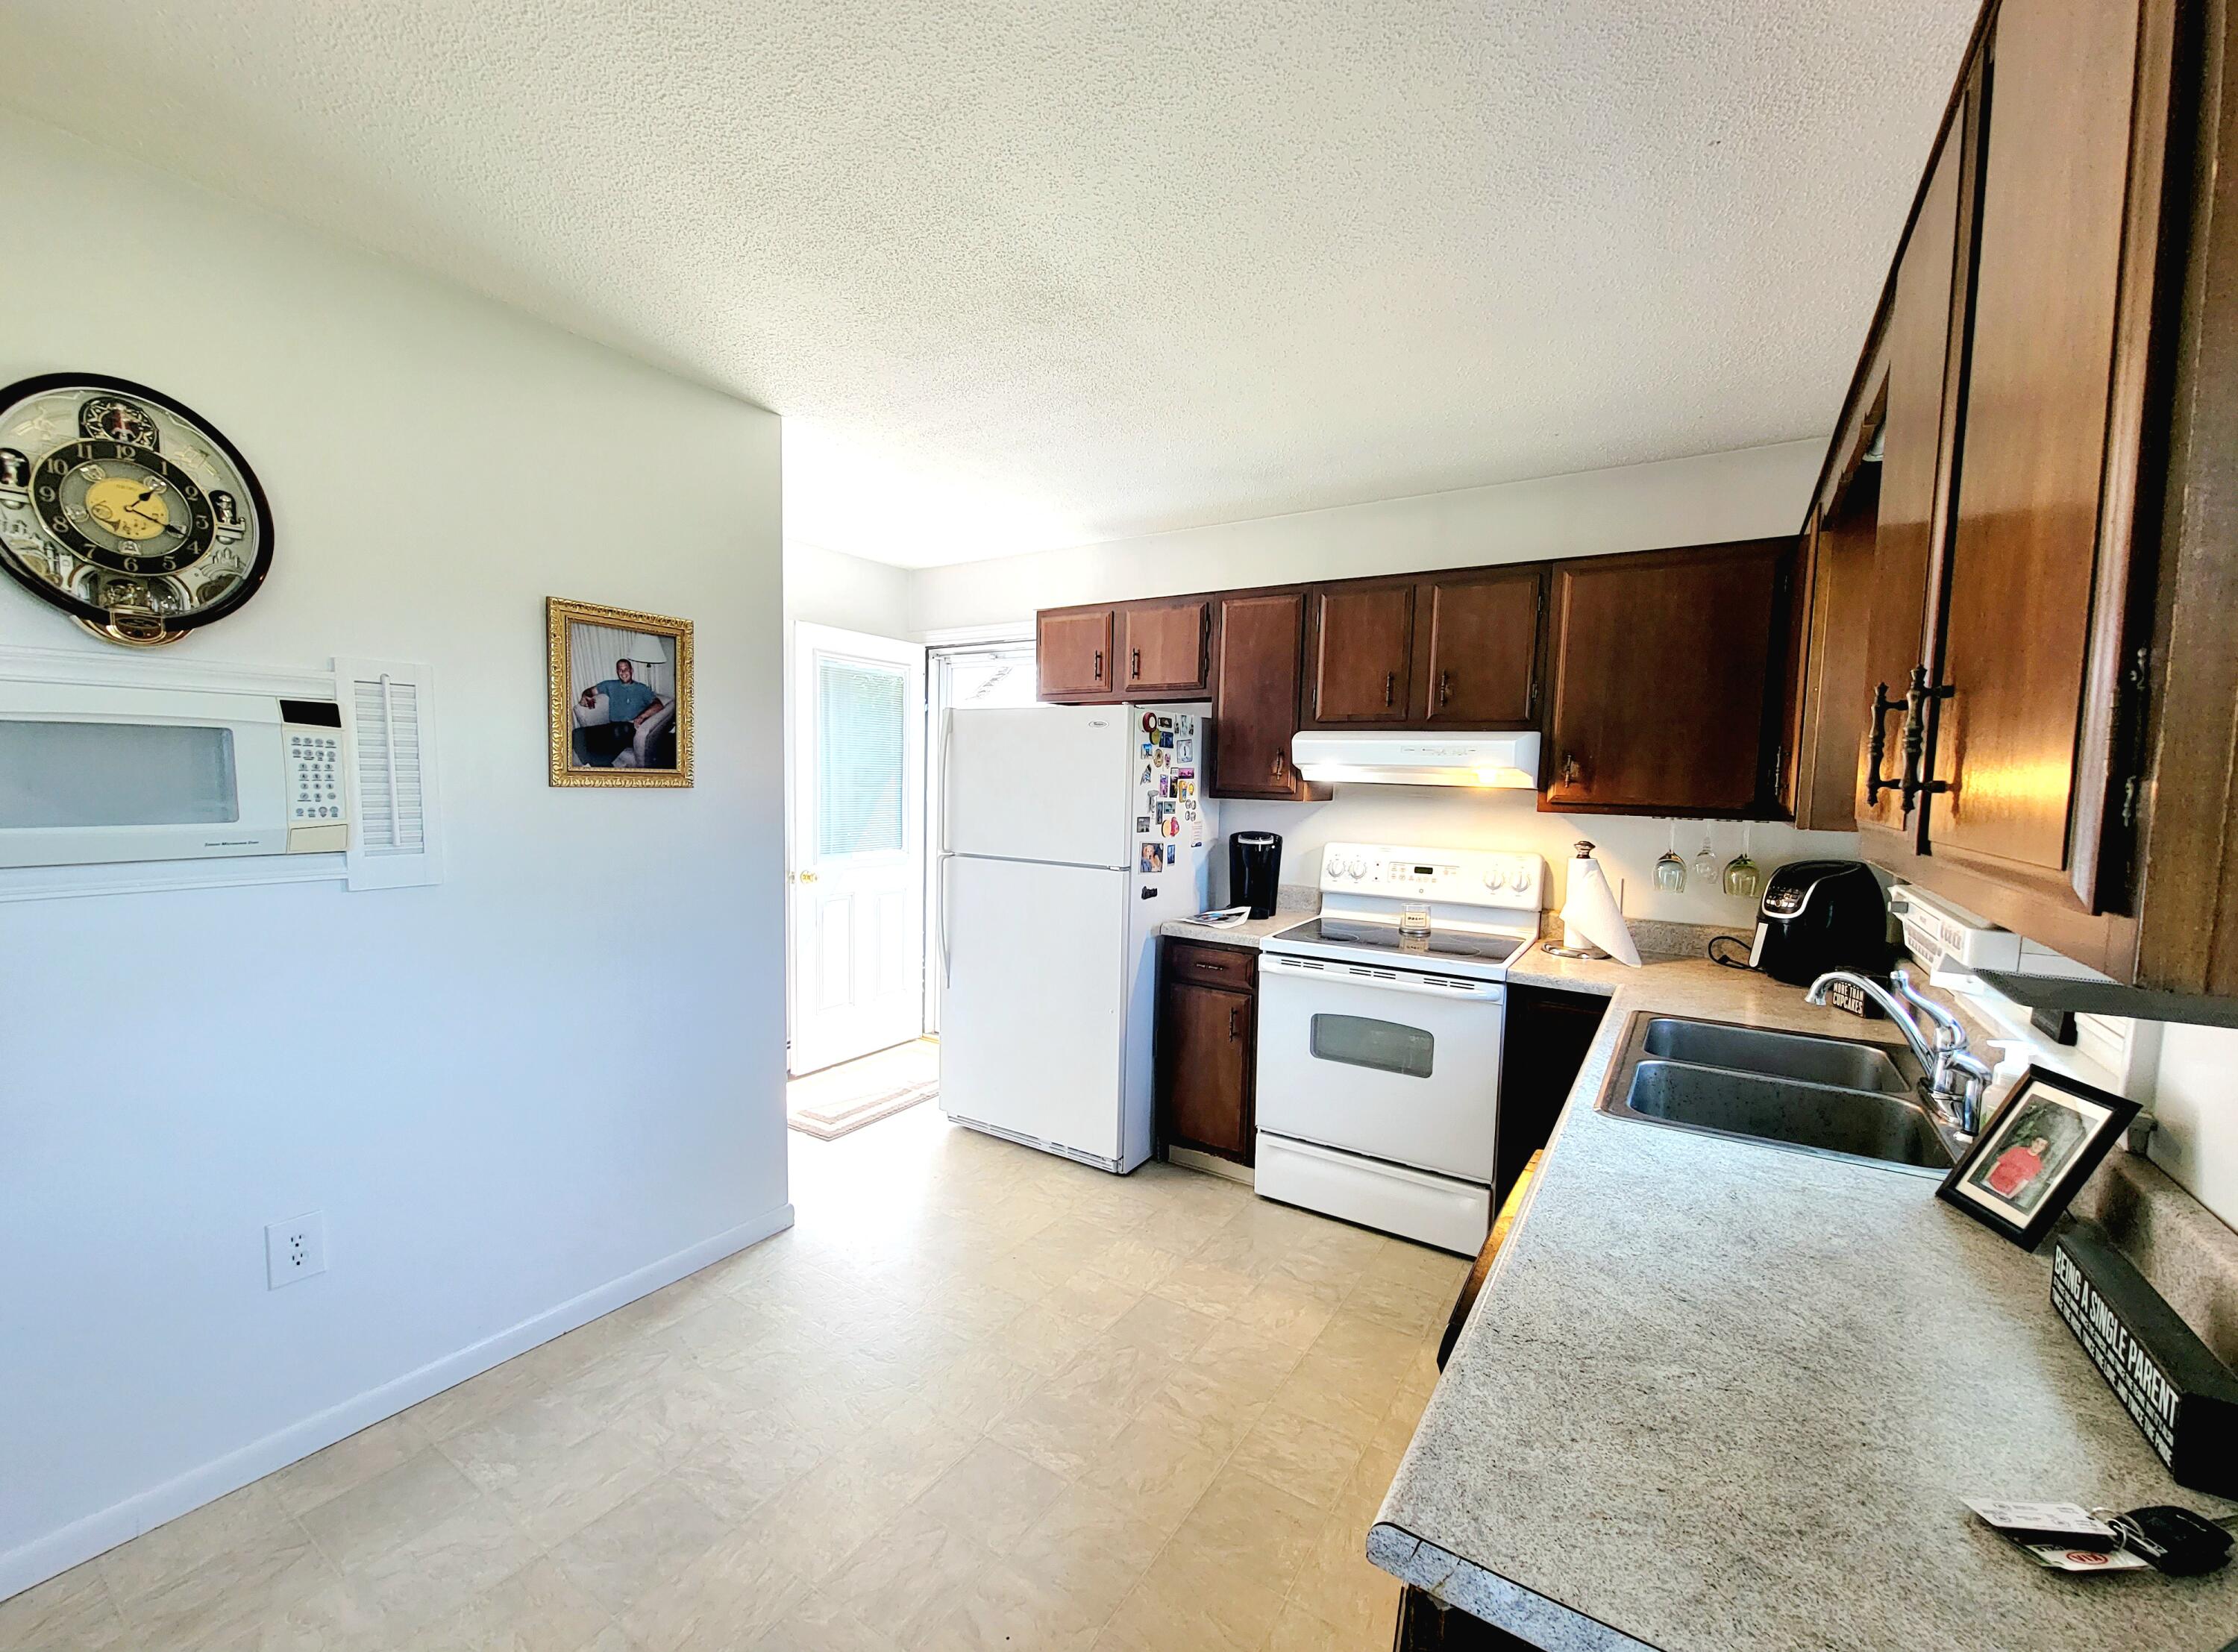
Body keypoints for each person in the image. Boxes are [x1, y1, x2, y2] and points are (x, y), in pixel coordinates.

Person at [571, 658, 665, 766]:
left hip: (629, 728)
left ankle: (598, 765)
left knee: (616, 734)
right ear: (617, 672)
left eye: (626, 669)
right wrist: (585, 696)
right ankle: (591, 764)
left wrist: (642, 716)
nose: (623, 672)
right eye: (620, 670)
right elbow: (590, 691)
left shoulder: (642, 688)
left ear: (631, 671)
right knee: (577, 733)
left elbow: (658, 705)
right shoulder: (610, 685)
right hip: (612, 726)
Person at [1984, 1132, 2053, 1202]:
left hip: (2002, 1193)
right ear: (2033, 1142)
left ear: (2044, 1149)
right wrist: (1985, 1180)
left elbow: (2023, 1184)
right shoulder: (2017, 1150)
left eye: (2042, 1145)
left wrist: (2007, 1198)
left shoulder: (2037, 1165)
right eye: (2037, 1142)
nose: (2038, 1146)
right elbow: (1997, 1164)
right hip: (1989, 1184)